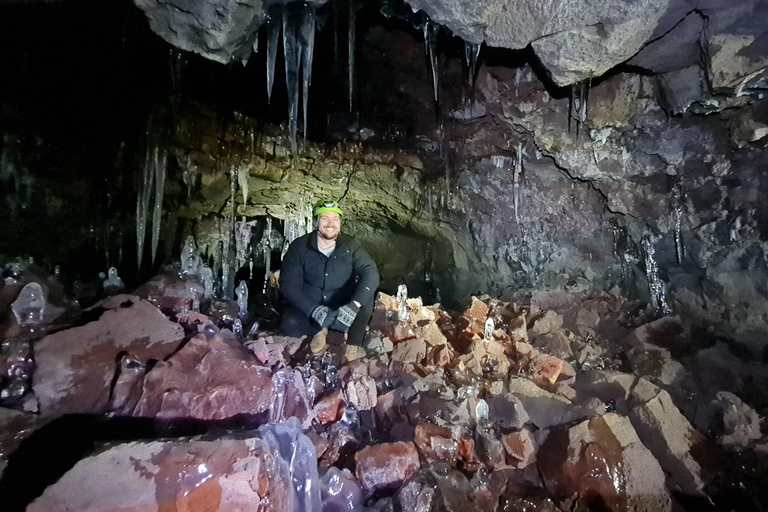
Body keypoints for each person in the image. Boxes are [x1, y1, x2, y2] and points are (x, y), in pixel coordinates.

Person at [279, 199, 379, 354]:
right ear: (316, 222)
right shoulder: (299, 247)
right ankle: (320, 331)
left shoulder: (351, 245)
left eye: (335, 219)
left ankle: (353, 344)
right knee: (289, 323)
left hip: (342, 305)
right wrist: (313, 310)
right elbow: (289, 285)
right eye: (324, 218)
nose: (330, 224)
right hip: (311, 304)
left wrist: (353, 306)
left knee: (366, 296)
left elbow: (370, 272)